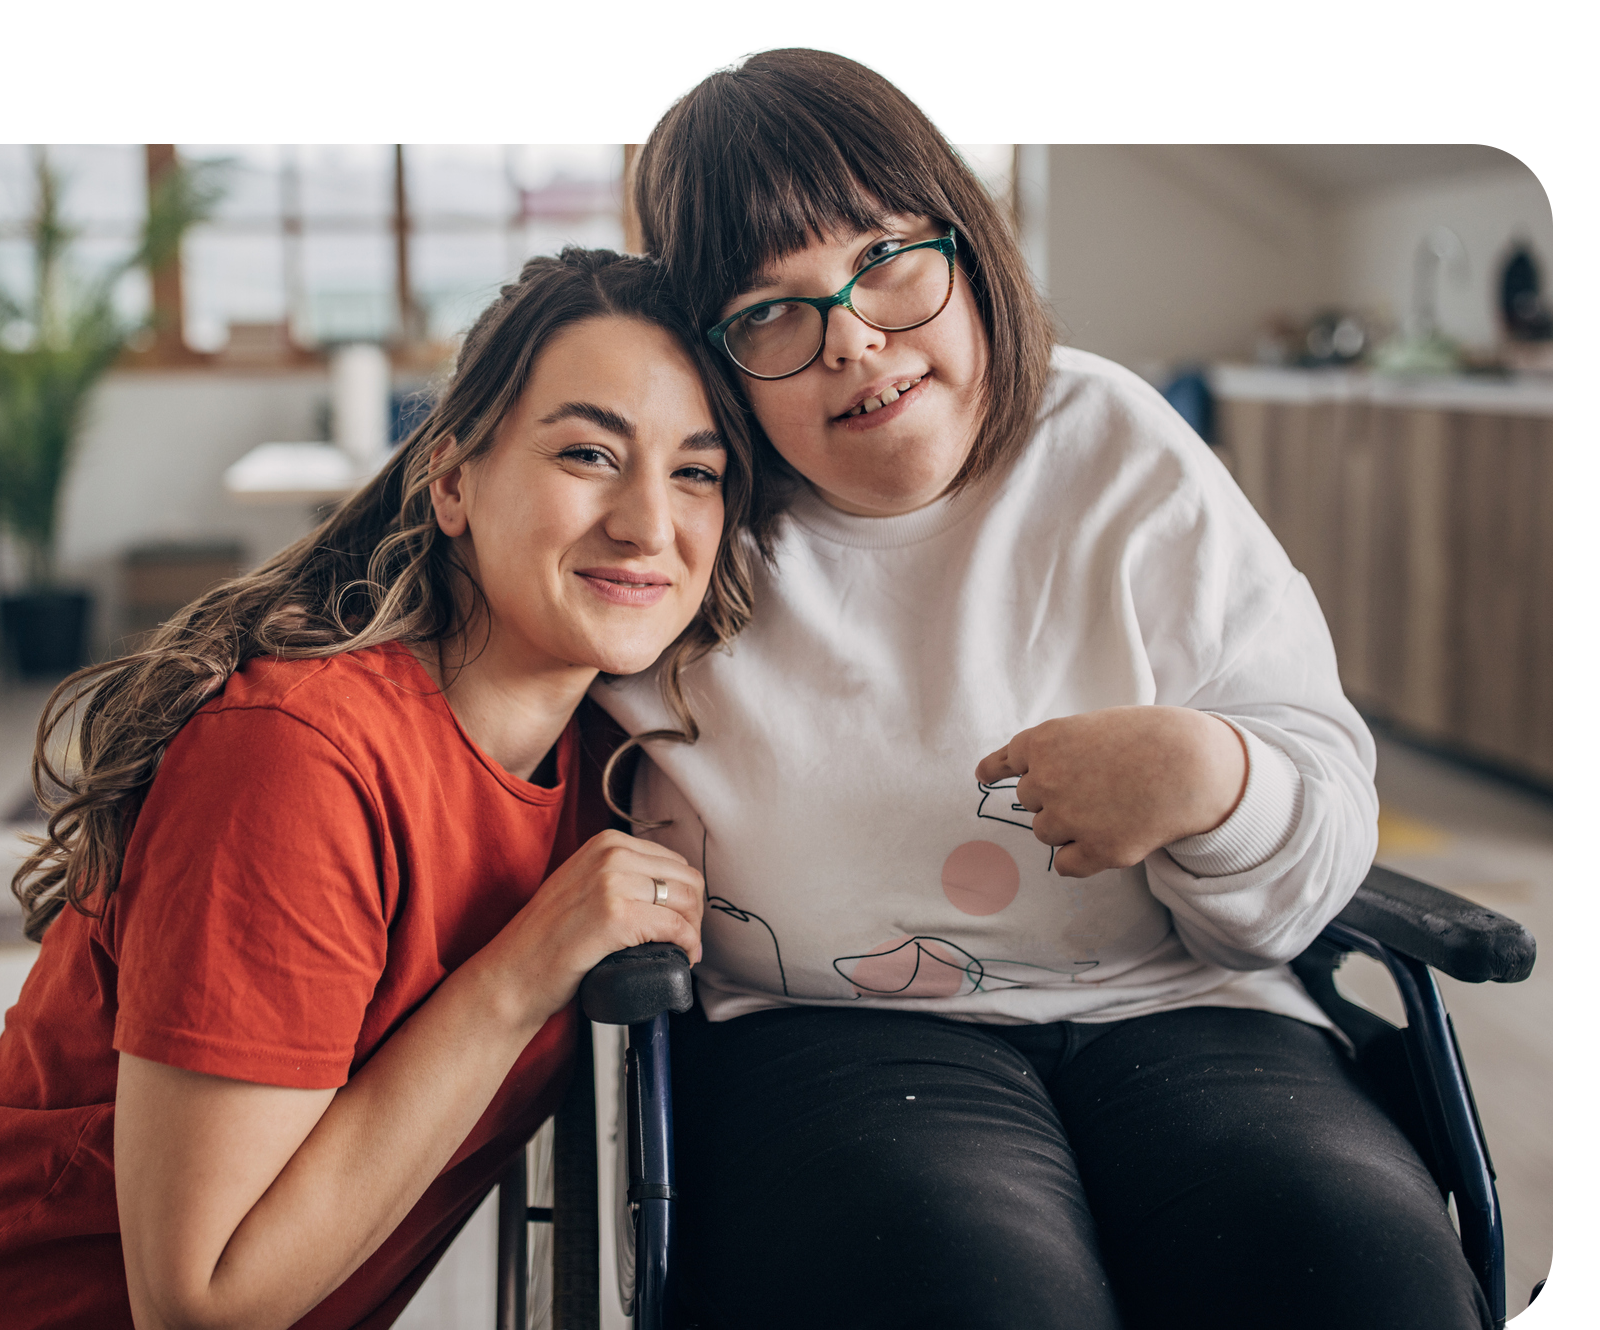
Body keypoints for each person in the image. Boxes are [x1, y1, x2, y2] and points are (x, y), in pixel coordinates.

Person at [591, 48, 1488, 1330]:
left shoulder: (1116, 447)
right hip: (826, 1030)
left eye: (888, 257)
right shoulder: (682, 519)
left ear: (970, 240)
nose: (855, 339)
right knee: (969, 1293)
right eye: (770, 311)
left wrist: (1214, 780)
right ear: (712, 355)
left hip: (1188, 999)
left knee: (1357, 1273)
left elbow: (1313, 835)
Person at [0, 248, 757, 1330]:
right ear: (450, 479)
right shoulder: (291, 761)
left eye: (697, 473)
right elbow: (200, 1304)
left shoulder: (604, 766)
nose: (648, 523)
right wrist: (521, 969)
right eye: (587, 452)